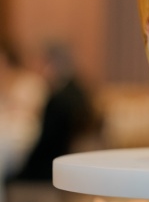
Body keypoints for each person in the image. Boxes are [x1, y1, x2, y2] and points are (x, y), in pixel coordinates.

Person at [9, 41, 99, 183]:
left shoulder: (59, 101)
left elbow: (42, 148)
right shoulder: (77, 90)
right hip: (67, 166)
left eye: (39, 62)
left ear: (50, 63)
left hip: (48, 173)